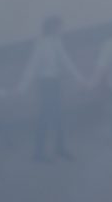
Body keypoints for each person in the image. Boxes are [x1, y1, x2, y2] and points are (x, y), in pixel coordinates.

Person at [19, 15, 85, 163]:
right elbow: (32, 66)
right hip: (45, 85)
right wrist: (22, 88)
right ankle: (38, 153)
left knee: (59, 117)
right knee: (44, 118)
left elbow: (67, 62)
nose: (62, 29)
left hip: (55, 83)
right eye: (60, 27)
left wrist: (80, 79)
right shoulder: (41, 43)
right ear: (53, 27)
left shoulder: (57, 42)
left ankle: (60, 148)